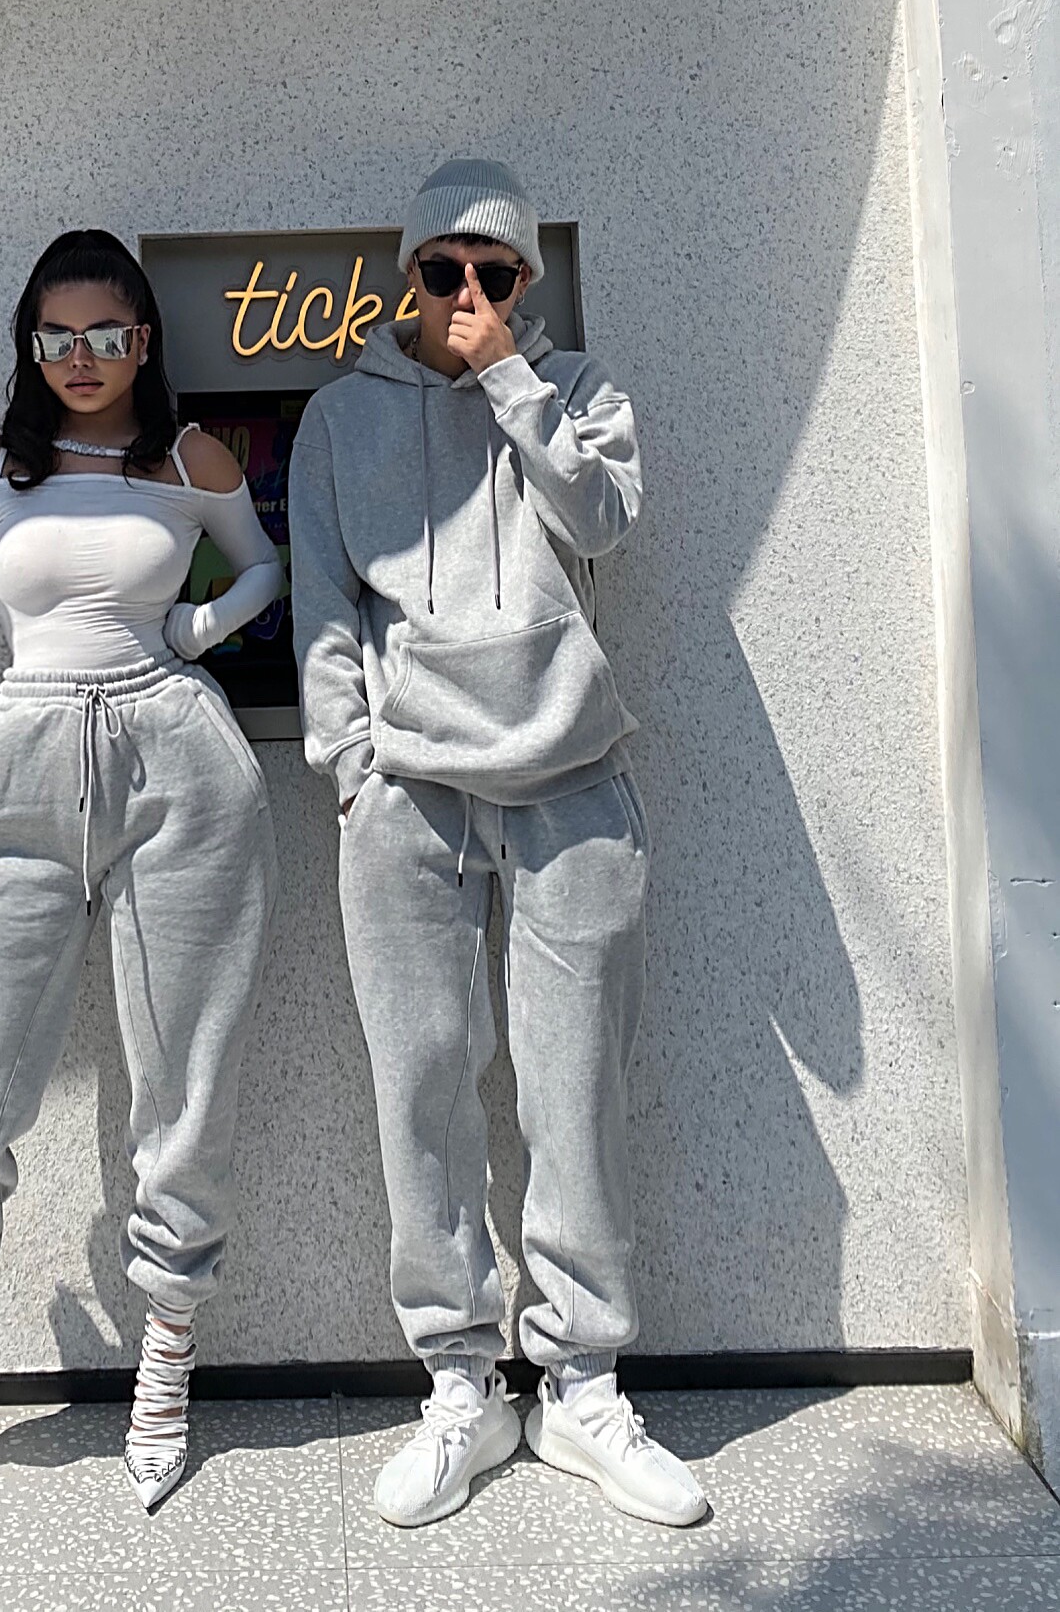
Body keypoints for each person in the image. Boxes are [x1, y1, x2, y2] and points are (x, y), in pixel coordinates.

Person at [0, 229, 281, 1530]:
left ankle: (166, 1360)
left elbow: (263, 564)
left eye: (107, 335)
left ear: (144, 340)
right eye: (57, 337)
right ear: (31, 346)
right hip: (16, 754)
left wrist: (196, 625)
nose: (82, 358)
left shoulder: (189, 461)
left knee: (184, 1074)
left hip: (177, 760)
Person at [289, 159, 707, 1529]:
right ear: (405, 273)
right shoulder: (341, 414)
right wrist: (349, 763)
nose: (467, 292)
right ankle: (461, 1381)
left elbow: (605, 523)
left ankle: (581, 1382)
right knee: (421, 1087)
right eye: (443, 270)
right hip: (406, 790)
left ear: (527, 282)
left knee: (574, 1088)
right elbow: (324, 606)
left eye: (495, 273)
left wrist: (511, 381)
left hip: (571, 777)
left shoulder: (578, 391)